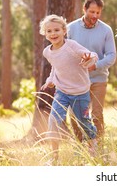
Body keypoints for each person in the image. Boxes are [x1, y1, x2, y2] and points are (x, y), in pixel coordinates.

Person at [40, 14, 98, 162]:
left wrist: (89, 59)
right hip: (62, 92)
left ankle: (93, 148)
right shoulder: (47, 52)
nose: (53, 34)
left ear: (64, 31)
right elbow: (55, 68)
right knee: (53, 121)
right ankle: (54, 158)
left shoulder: (71, 46)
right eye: (49, 31)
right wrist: (50, 80)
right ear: (45, 33)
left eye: (57, 30)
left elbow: (93, 55)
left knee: (84, 122)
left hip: (80, 92)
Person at [67, 0, 117, 138]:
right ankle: (80, 146)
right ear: (84, 9)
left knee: (96, 114)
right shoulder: (71, 28)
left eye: (98, 12)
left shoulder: (106, 30)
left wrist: (95, 66)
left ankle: (98, 146)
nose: (95, 15)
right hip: (76, 80)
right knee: (75, 116)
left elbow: (111, 55)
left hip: (98, 79)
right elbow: (65, 53)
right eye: (92, 12)